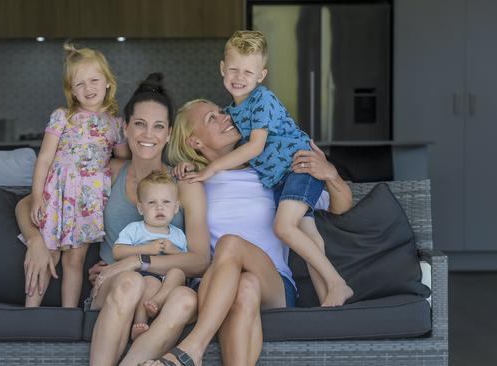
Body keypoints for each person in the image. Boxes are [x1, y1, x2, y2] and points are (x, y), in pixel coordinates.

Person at [16, 73, 211, 366]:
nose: (148, 135)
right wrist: (34, 240)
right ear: (124, 127)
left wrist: (137, 260)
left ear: (169, 133)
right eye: (140, 124)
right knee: (130, 283)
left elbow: (199, 260)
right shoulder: (108, 172)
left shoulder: (185, 182)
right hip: (113, 284)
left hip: (165, 290)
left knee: (187, 299)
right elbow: (27, 204)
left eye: (158, 126)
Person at [144, 99, 353, 366]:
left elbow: (340, 207)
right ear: (194, 142)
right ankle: (191, 352)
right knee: (245, 285)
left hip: (274, 284)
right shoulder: (193, 182)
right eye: (211, 118)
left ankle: (193, 347)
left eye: (221, 112)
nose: (226, 117)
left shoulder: (271, 172)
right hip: (214, 284)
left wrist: (331, 175)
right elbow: (151, 210)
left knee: (233, 248)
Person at [180, 30, 352, 307]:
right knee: (308, 235)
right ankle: (328, 304)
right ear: (222, 69)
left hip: (298, 169)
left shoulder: (261, 101)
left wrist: (211, 169)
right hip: (281, 180)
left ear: (261, 76)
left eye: (248, 72)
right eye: (233, 69)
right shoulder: (235, 113)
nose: (239, 77)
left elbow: (256, 147)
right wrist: (191, 164)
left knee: (284, 227)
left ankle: (337, 283)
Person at [20, 43, 130, 308]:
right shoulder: (62, 117)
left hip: (88, 203)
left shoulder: (115, 124)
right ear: (71, 90)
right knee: (49, 256)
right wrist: (37, 197)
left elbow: (125, 159)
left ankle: (69, 316)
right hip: (57, 196)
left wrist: (129, 133)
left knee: (75, 260)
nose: (88, 88)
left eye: (94, 80)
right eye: (79, 84)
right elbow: (44, 159)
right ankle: (28, 313)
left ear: (107, 82)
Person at [112, 169, 188, 341]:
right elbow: (117, 251)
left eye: (166, 202)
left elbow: (186, 259)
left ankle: (158, 301)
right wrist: (145, 249)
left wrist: (173, 251)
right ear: (140, 208)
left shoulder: (178, 235)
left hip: (168, 282)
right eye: (152, 202)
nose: (159, 207)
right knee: (150, 283)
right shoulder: (135, 229)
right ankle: (140, 323)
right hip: (145, 276)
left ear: (176, 208)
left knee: (178, 273)